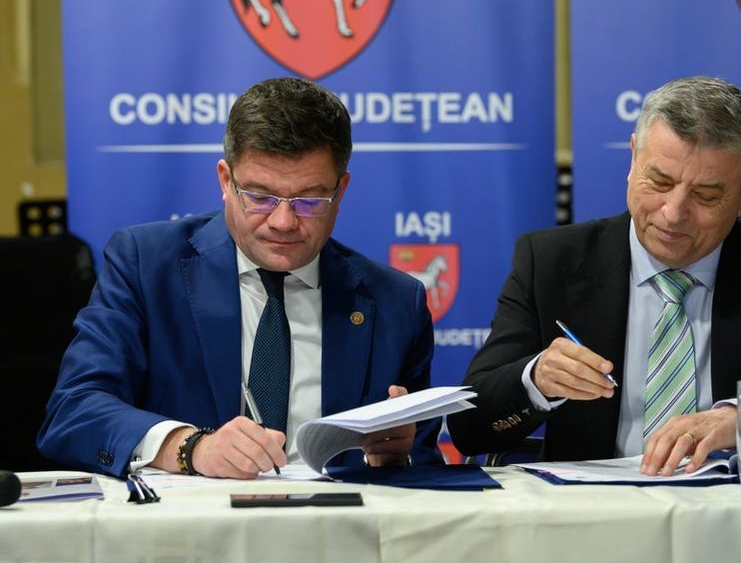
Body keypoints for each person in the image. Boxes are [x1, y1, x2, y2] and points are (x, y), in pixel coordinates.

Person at [447, 76, 741, 476]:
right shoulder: (550, 261)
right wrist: (536, 380)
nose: (673, 213)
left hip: (738, 511)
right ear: (633, 158)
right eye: (659, 181)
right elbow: (468, 425)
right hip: (588, 511)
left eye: (706, 195)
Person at [38, 77, 440, 478]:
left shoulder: (394, 302)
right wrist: (190, 447)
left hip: (339, 516)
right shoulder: (147, 265)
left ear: (341, 190)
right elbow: (75, 410)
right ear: (225, 181)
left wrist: (392, 460)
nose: (283, 222)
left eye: (309, 200)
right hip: (188, 517)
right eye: (260, 197)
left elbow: (422, 464)